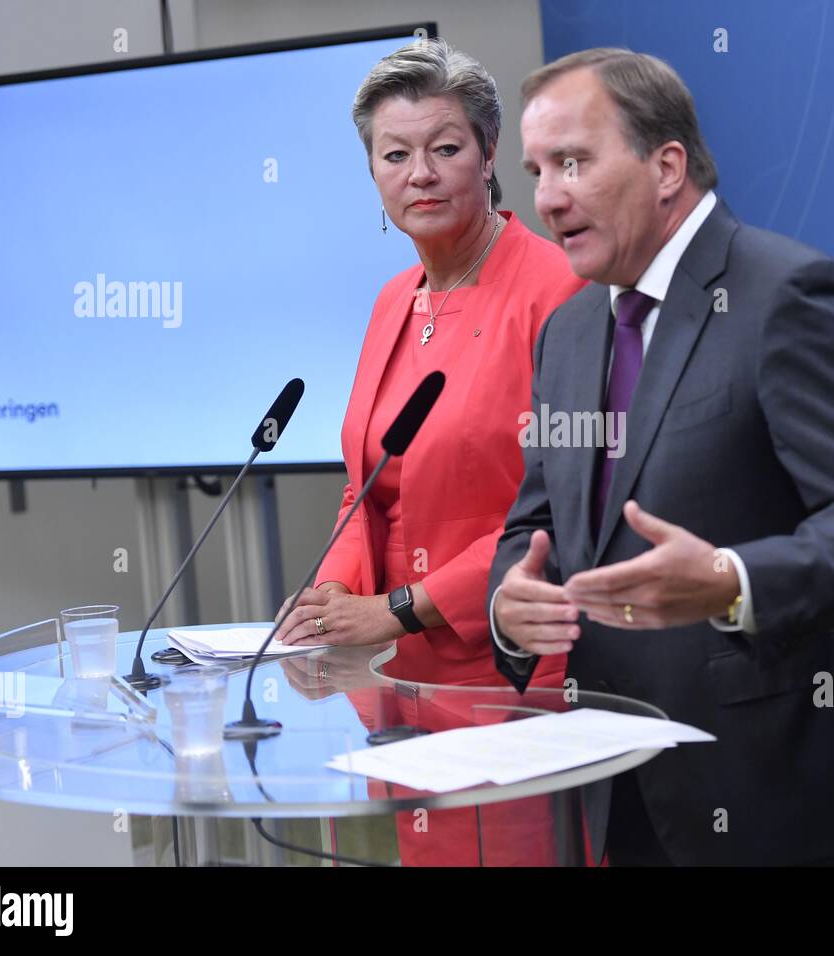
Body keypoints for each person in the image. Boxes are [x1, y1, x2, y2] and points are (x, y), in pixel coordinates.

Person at [489, 48, 834, 866]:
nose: (547, 198)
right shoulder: (570, 329)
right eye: (537, 169)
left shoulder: (791, 294)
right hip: (620, 788)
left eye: (574, 162)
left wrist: (730, 580)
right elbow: (537, 522)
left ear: (666, 166)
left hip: (781, 800)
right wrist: (509, 608)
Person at [272, 39, 585, 865]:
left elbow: (559, 509)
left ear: (488, 156)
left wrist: (397, 606)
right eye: (395, 154)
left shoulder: (556, 289)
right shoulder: (390, 302)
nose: (422, 173)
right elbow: (366, 488)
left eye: (446, 148)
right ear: (372, 174)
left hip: (520, 677)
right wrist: (333, 592)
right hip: (407, 688)